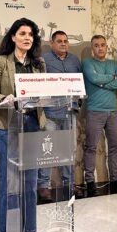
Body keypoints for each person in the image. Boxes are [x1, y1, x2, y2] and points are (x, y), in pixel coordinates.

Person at [0, 18, 45, 232]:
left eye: (30, 34)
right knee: (8, 185)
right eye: (22, 33)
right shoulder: (1, 61)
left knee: (30, 185)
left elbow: (45, 92)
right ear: (13, 37)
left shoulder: (38, 64)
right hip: (7, 126)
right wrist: (5, 99)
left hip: (32, 125)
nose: (27, 38)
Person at [37, 30, 82, 202]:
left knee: (68, 150)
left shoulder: (74, 60)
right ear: (52, 43)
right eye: (59, 41)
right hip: (50, 112)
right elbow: (39, 83)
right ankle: (43, 186)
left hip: (69, 112)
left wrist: (78, 99)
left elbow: (79, 83)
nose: (63, 44)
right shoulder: (44, 60)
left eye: (65, 41)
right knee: (47, 150)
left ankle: (68, 184)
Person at [82, 34, 117, 196]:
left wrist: (102, 83)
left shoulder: (113, 63)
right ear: (92, 48)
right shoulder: (87, 63)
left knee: (115, 146)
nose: (100, 48)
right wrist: (110, 78)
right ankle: (90, 182)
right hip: (95, 111)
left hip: (113, 111)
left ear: (106, 47)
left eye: (102, 45)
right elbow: (93, 78)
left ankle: (115, 180)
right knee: (91, 147)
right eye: (96, 45)